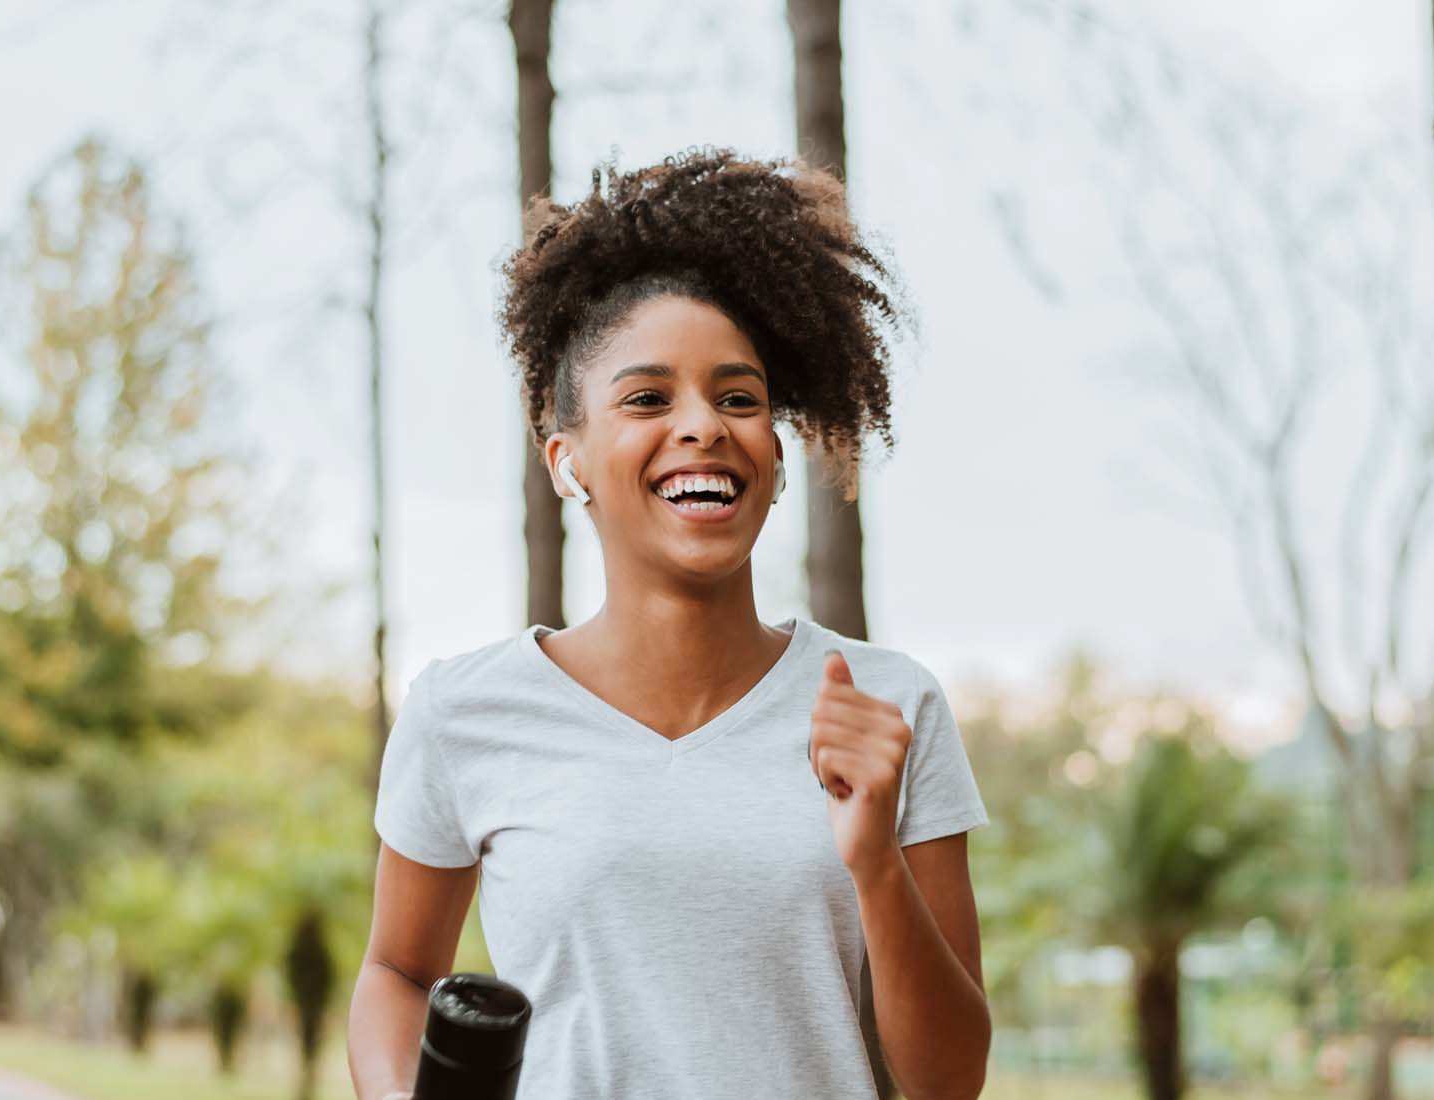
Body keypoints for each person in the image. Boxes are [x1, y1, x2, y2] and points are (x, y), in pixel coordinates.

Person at [346, 145, 992, 1100]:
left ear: (774, 460)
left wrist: (874, 866)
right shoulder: (463, 712)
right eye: (648, 398)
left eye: (739, 399)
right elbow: (396, 973)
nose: (704, 425)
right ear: (567, 461)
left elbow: (950, 1082)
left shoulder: (890, 706)